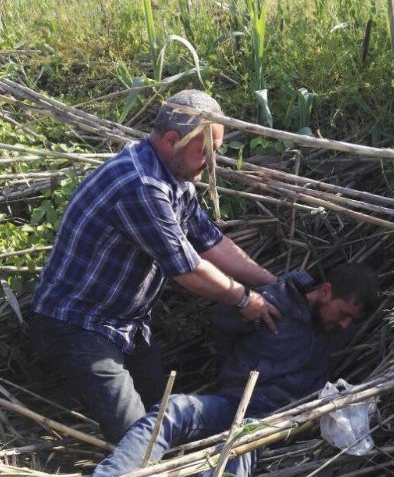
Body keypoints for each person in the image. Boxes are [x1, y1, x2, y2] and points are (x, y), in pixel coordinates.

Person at [21, 264, 378, 477]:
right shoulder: (275, 302)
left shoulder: (338, 332)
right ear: (325, 291)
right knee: (174, 409)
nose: (346, 325)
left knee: (240, 441)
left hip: (274, 422)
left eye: (352, 320)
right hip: (232, 401)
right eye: (343, 313)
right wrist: (236, 358)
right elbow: (221, 322)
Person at [30, 89, 280, 443]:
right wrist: (244, 300)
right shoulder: (142, 185)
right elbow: (188, 269)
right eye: (205, 152)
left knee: (163, 418)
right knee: (139, 440)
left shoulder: (176, 174)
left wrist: (272, 282)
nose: (211, 164)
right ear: (171, 140)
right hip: (77, 324)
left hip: (127, 326)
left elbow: (210, 241)